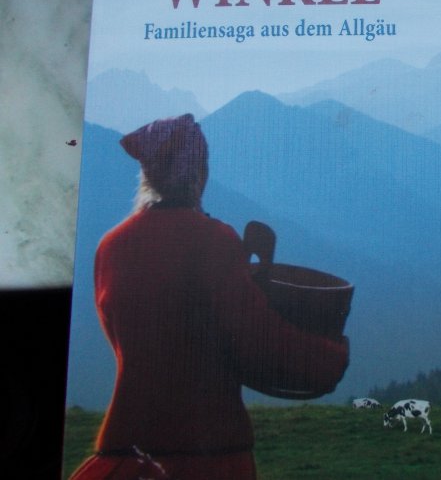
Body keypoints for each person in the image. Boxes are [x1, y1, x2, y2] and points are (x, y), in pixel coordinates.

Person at [70, 114, 349, 480]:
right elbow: (257, 341)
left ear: (147, 173)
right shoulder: (213, 240)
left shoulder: (111, 246)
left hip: (126, 449)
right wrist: (330, 356)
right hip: (206, 454)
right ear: (199, 173)